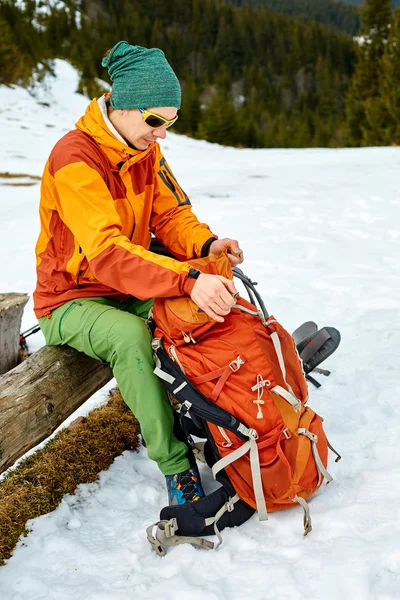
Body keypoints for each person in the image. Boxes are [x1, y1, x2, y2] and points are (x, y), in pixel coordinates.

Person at [33, 40, 244, 506]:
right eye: (155, 120)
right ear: (122, 106)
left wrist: (207, 246)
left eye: (170, 122)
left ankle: (224, 420)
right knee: (131, 336)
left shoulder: (144, 150)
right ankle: (176, 464)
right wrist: (188, 277)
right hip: (71, 300)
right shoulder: (75, 159)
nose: (162, 133)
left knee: (200, 308)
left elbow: (171, 217)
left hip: (126, 284)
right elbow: (107, 254)